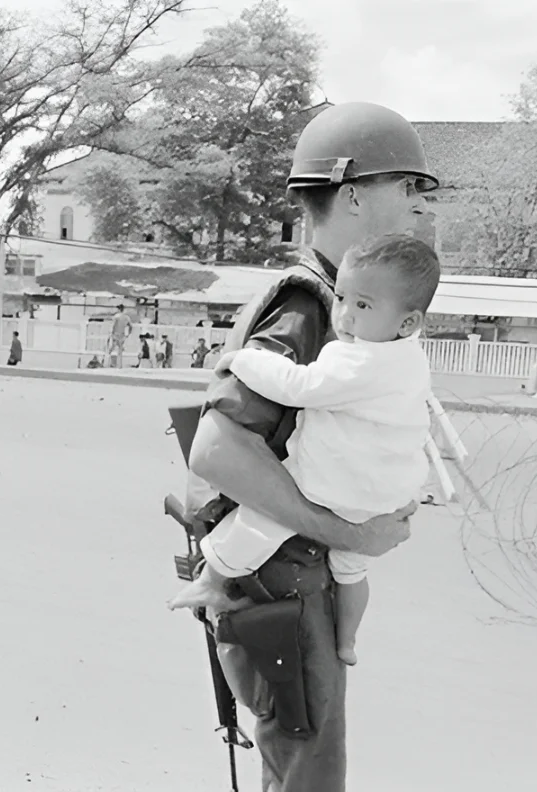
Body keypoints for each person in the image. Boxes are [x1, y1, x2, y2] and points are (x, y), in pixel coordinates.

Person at [177, 101, 435, 792]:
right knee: (307, 769)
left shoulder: (338, 302)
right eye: (407, 186)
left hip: (289, 572)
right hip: (282, 573)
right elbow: (215, 451)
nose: (419, 204)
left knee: (300, 761)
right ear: (352, 195)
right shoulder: (311, 307)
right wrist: (351, 531)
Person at [170, 235, 439, 666]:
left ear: (406, 323)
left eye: (364, 306)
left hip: (338, 484)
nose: (346, 315)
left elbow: (300, 387)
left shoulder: (358, 361)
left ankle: (213, 580)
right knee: (352, 570)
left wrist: (241, 361)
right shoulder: (409, 357)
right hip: (389, 489)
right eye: (344, 298)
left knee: (262, 515)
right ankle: (347, 641)